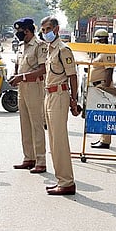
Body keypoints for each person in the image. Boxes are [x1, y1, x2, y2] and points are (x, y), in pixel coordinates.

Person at [40, 16, 80, 195]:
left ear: (56, 29)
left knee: (59, 141)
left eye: (48, 29)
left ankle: (66, 181)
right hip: (49, 94)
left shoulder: (63, 50)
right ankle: (61, 180)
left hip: (60, 94)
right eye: (43, 30)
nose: (45, 32)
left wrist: (74, 100)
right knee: (53, 140)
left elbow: (72, 76)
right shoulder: (49, 50)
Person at [8, 17, 48, 173]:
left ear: (27, 30)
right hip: (22, 88)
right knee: (24, 124)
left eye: (20, 31)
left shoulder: (39, 46)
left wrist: (22, 77)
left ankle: (41, 160)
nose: (18, 34)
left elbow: (43, 69)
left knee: (36, 124)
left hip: (34, 87)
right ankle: (29, 158)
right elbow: (19, 65)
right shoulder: (21, 46)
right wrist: (15, 75)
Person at [89, 28, 115, 149]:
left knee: (105, 114)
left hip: (103, 86)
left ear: (102, 40)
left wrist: (106, 88)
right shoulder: (101, 52)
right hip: (97, 86)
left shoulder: (107, 52)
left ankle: (105, 140)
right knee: (101, 113)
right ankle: (102, 138)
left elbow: (109, 70)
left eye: (97, 40)